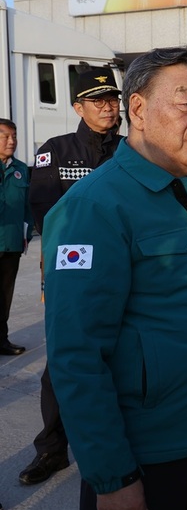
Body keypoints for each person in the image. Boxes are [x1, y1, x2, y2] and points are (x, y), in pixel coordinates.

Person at [43, 46, 187, 510]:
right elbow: (76, 355)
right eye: (185, 104)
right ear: (137, 109)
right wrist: (112, 476)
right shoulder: (94, 206)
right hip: (148, 457)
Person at [20, 68, 125, 486]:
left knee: (123, 353)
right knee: (66, 356)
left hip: (124, 268)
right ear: (78, 107)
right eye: (97, 100)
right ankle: (52, 448)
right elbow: (48, 212)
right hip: (72, 270)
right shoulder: (57, 151)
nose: (108, 106)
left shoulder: (134, 150)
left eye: (112, 99)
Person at [0, 119, 33, 355]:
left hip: (11, 243)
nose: (11, 141)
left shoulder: (21, 169)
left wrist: (26, 234)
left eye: (14, 136)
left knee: (4, 296)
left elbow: (28, 208)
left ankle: (1, 340)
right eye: (4, 136)